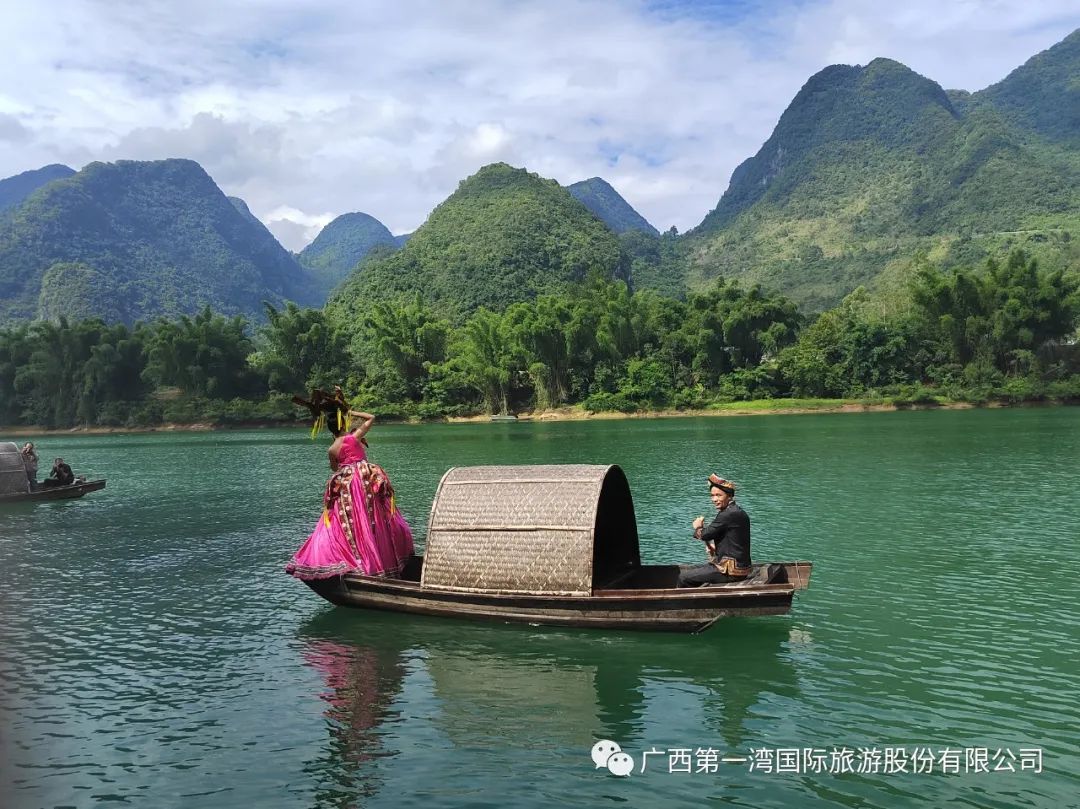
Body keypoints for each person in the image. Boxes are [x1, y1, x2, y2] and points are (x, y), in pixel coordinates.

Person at [286, 409, 414, 580]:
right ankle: (383, 561)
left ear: (331, 429)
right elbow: (371, 417)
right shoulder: (354, 437)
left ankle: (358, 560)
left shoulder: (332, 448)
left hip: (347, 484)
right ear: (343, 424)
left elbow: (335, 468)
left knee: (350, 520)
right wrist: (351, 411)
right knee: (373, 516)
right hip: (364, 480)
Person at [677, 473, 752, 587]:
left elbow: (704, 535)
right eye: (712, 495)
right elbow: (734, 541)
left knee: (683, 578)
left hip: (730, 571)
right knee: (694, 572)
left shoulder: (727, 514)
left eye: (718, 495)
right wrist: (714, 547)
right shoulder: (737, 511)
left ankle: (685, 599)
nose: (714, 499)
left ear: (729, 496)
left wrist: (698, 527)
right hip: (740, 568)